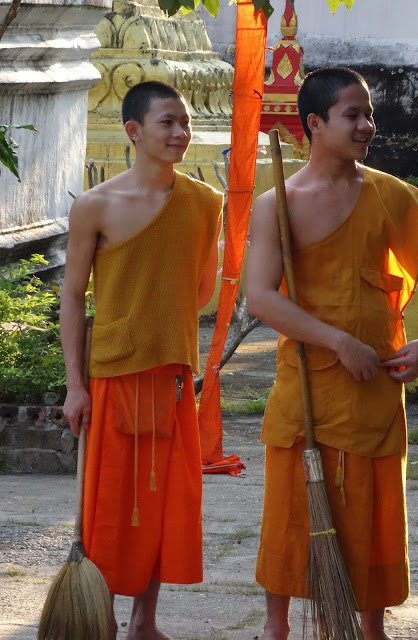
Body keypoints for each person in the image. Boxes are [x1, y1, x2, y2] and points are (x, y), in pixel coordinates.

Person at [246, 67, 418, 640]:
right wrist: (338, 341)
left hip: (375, 383)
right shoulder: (278, 204)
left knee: (372, 510)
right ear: (314, 124)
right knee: (292, 507)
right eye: (352, 115)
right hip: (308, 382)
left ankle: (370, 627)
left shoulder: (392, 195)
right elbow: (261, 297)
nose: (367, 125)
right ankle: (277, 625)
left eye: (369, 113)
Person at [60, 80, 223, 640]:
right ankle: (96, 616)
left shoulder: (204, 204)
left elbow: (201, 288)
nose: (181, 133)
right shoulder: (95, 205)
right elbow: (73, 296)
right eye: (167, 123)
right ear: (134, 132)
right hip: (112, 374)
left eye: (185, 122)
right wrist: (74, 385)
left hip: (173, 373)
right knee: (108, 504)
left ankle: (143, 623)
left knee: (161, 503)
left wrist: (158, 322)